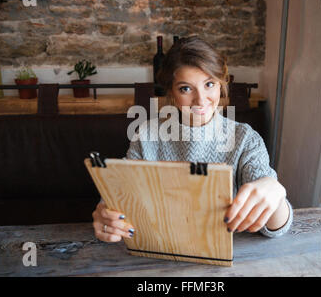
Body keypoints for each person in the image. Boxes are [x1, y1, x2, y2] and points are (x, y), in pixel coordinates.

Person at [92, 36, 293, 243]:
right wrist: (106, 211)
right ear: (171, 91)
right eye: (185, 88)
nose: (200, 100)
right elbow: (122, 188)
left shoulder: (245, 139)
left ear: (221, 83)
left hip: (225, 256)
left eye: (209, 84)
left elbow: (276, 227)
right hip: (159, 249)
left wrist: (275, 193)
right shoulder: (147, 135)